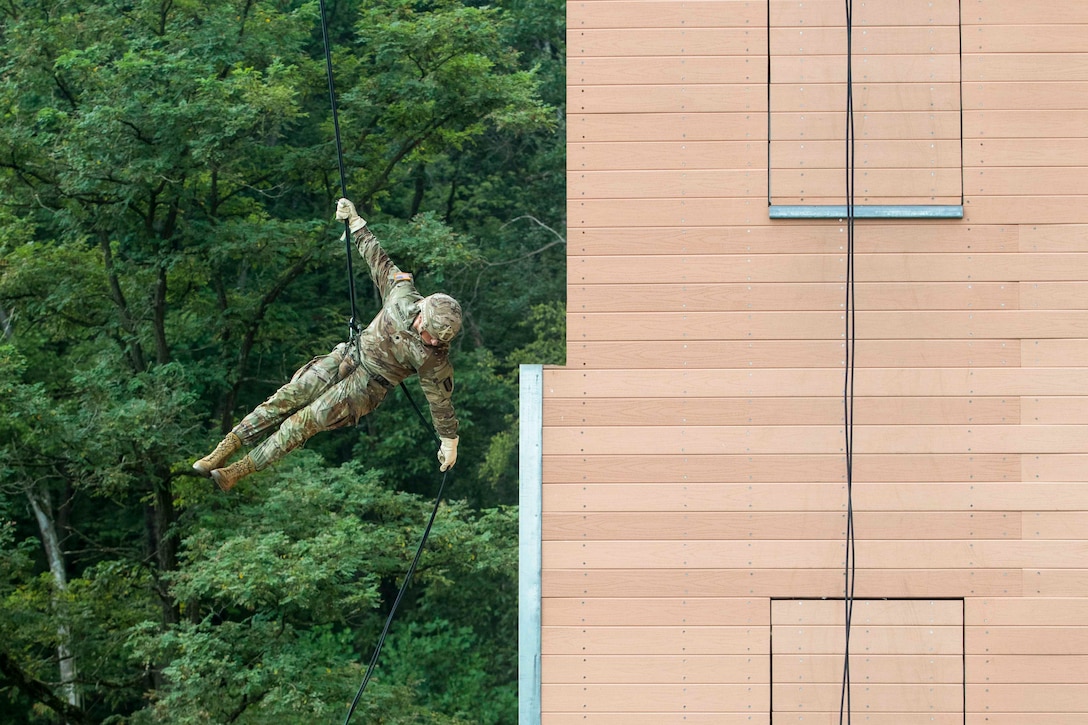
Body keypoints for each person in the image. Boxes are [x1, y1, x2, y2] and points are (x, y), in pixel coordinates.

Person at [193, 198, 461, 491]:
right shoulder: (402, 295)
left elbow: (441, 405)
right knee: (288, 396)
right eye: (432, 334)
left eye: (440, 340)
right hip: (347, 355)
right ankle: (222, 450)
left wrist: (449, 442)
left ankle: (236, 471)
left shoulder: (434, 359)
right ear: (422, 313)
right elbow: (377, 258)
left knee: (305, 421)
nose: (434, 342)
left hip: (366, 387)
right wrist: (355, 223)